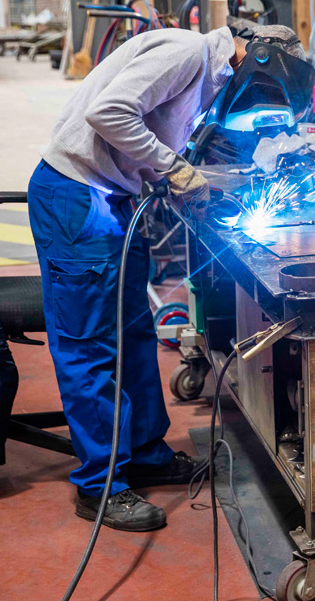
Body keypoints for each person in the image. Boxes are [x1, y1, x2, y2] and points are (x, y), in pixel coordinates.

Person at [27, 26, 263, 531]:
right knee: (89, 346)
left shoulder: (204, 71)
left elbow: (144, 132)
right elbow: (107, 113)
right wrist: (174, 169)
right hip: (77, 199)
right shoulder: (187, 53)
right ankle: (100, 486)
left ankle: (146, 454)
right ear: (251, 64)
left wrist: (167, 180)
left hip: (110, 198)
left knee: (134, 334)